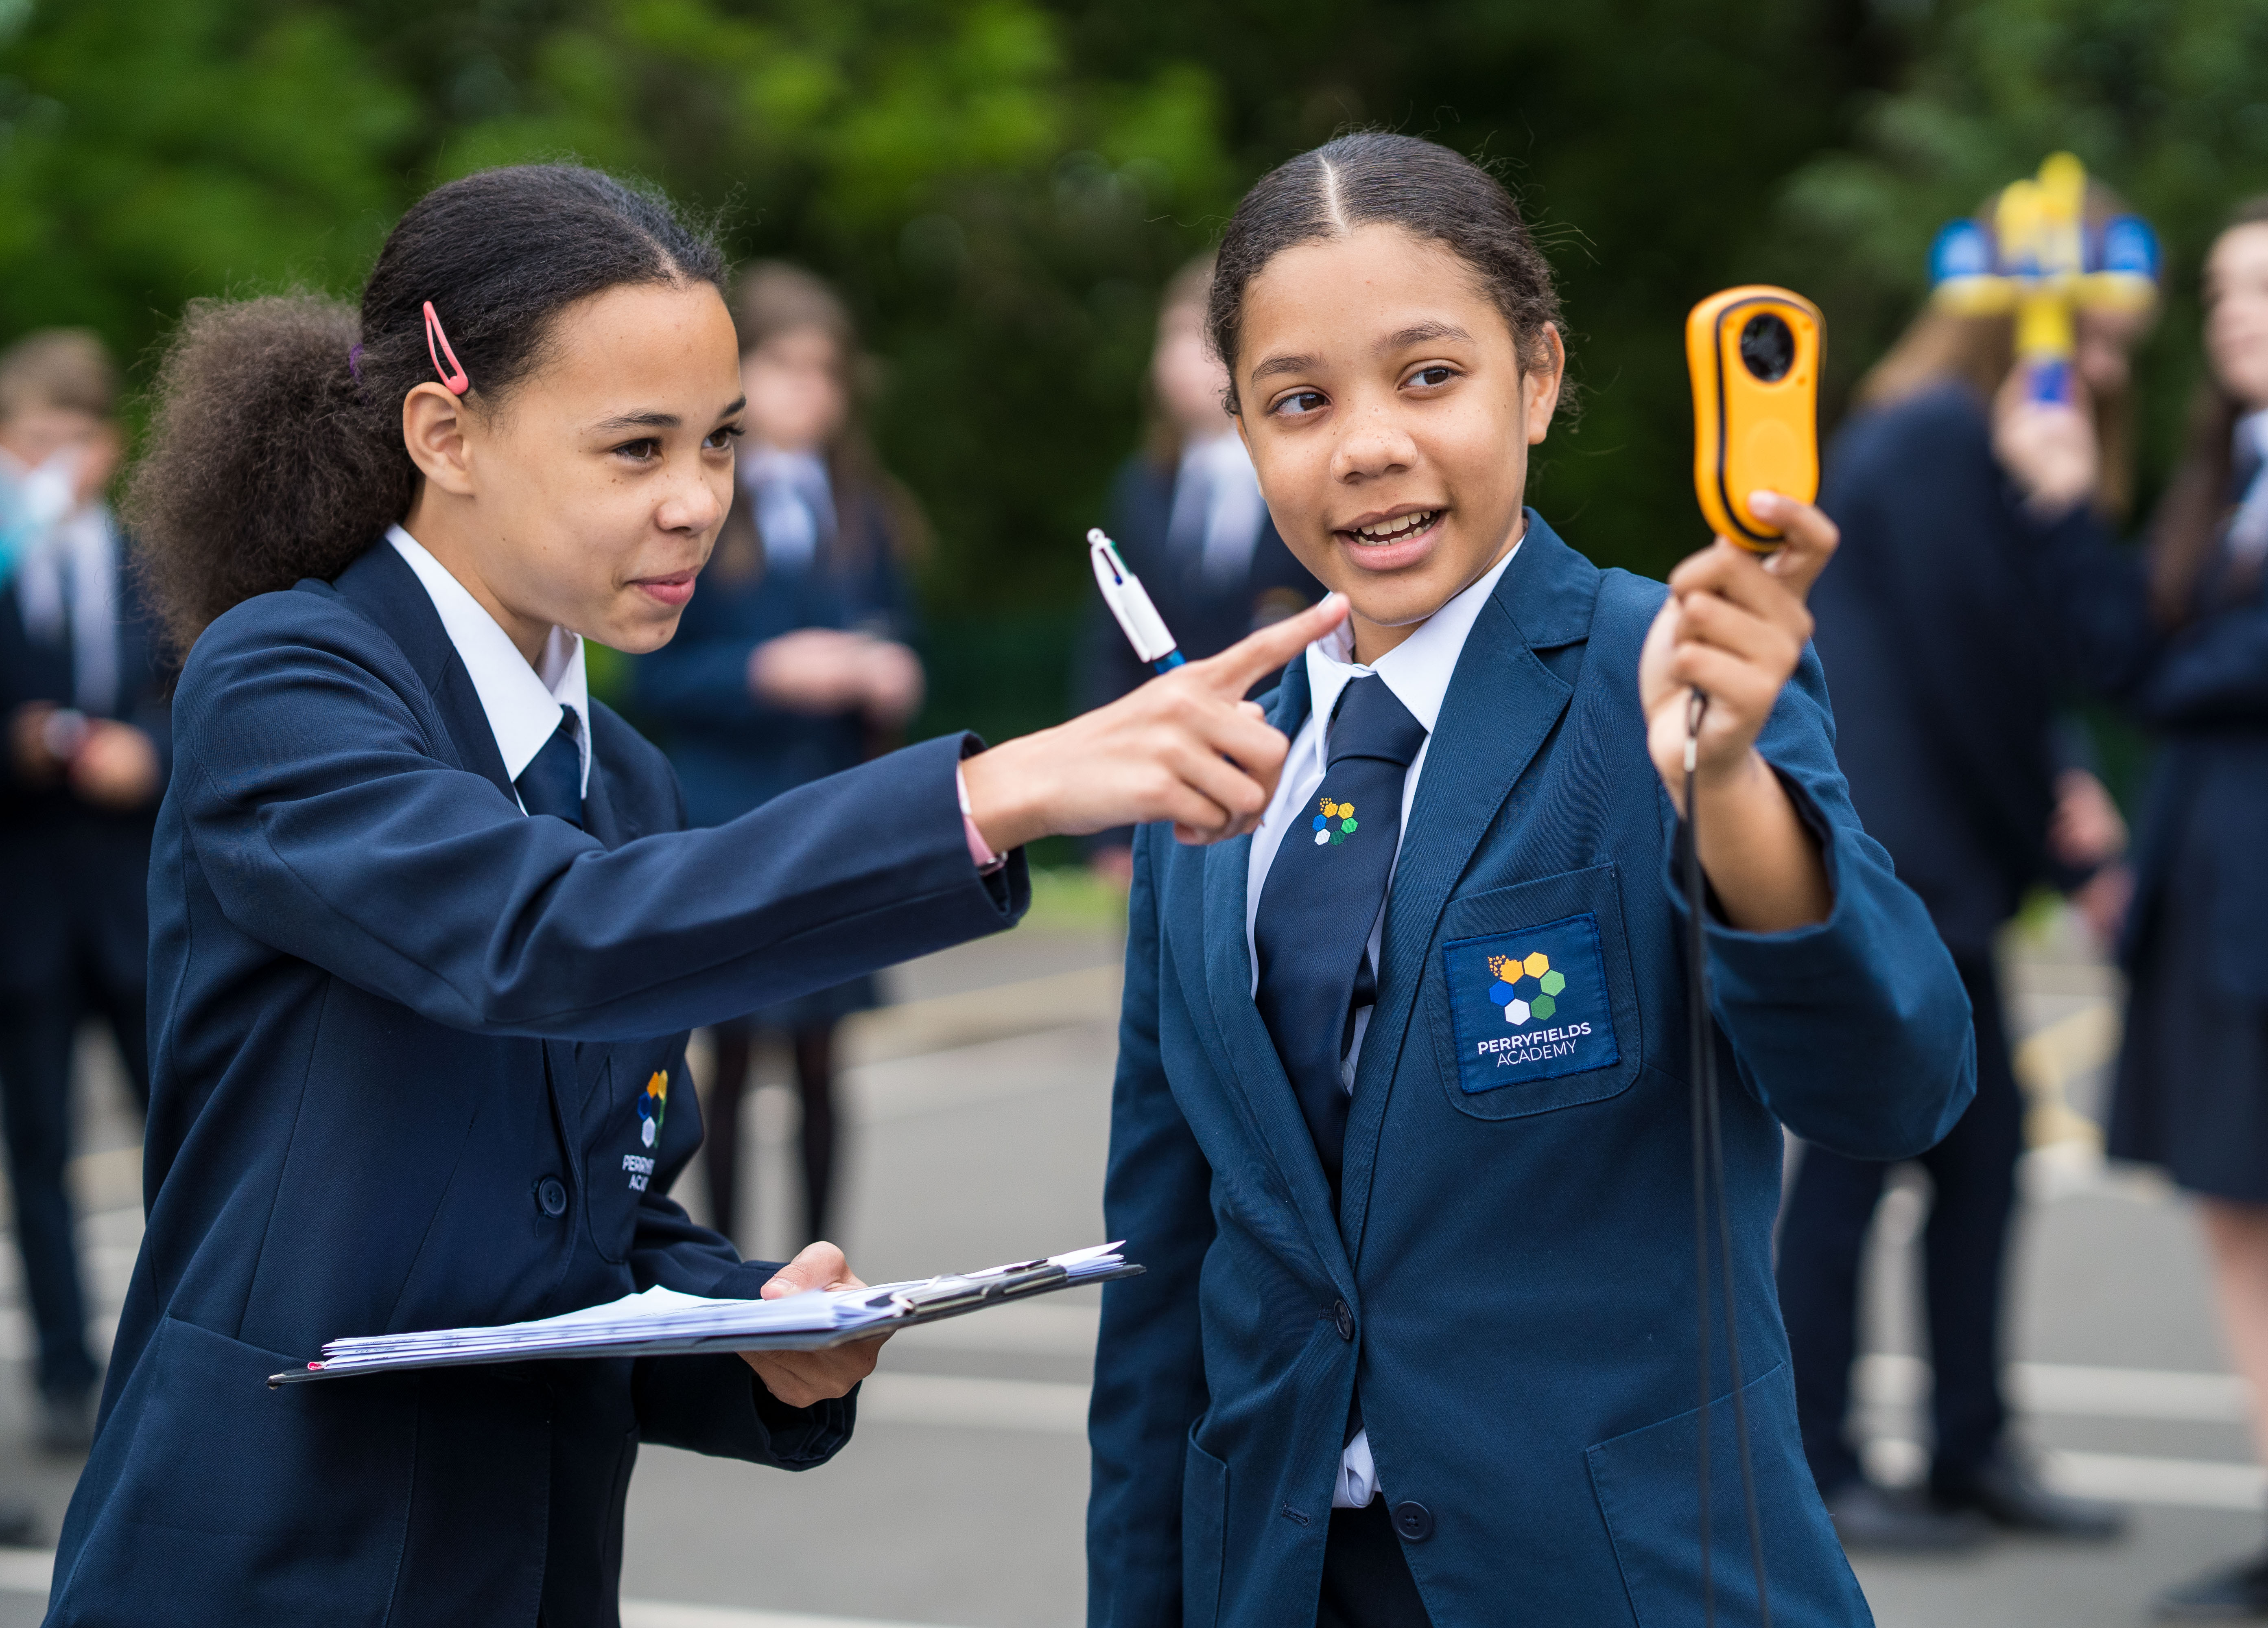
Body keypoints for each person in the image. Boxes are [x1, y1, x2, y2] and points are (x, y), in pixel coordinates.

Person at [45, 163, 1345, 1627]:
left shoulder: (627, 780)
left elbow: (588, 1216)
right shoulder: (285, 679)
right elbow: (546, 938)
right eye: (635, 449)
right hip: (264, 1565)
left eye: (720, 443)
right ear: (445, 433)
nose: (695, 504)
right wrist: (998, 792)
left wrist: (750, 1326)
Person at [1085, 132, 1975, 1628]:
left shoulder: (1666, 671)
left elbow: (1895, 1088)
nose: (1366, 445)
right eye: (1298, 402)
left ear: (1540, 379)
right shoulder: (1214, 765)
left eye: (1429, 376)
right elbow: (1165, 1274)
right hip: (1281, 1582)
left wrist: (1732, 787)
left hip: (1625, 1584)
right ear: (1240, 430)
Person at [1995, 189, 2268, 1619]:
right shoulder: (2232, 474)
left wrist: (2159, 679)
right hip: (2214, 908)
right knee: (2238, 1221)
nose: (2235, 311)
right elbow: (2116, 647)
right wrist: (2065, 494)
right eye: (2223, 290)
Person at [1776, 224, 2143, 1548]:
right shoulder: (1934, 436)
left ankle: (1966, 1446)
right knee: (1858, 1162)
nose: (2105, 366)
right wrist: (2071, 848)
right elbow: (1976, 664)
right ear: (2021, 331)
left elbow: (2013, 672)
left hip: (1937, 861)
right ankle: (1817, 1463)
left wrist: (2059, 784)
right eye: (2089, 335)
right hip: (1904, 859)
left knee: (1979, 1163)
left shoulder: (1949, 438)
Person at [628, 263, 925, 1245]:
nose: (810, 392)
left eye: (826, 371)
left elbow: (897, 633)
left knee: (823, 1061)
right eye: (785, 367)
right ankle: (729, 1266)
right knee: (734, 1053)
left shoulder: (862, 509)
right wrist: (769, 670)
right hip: (732, 810)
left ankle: (819, 1262)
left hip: (833, 807)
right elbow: (655, 678)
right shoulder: (698, 507)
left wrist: (885, 671)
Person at [0, 330, 168, 1458]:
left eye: (66, 441)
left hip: (136, 896)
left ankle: (181, 1357)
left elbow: (198, 693)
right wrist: (47, 743)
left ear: (105, 448)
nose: (45, 464)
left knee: (184, 1131)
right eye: (25, 440)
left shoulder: (149, 566)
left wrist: (148, 754)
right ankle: (65, 1369)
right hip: (25, 901)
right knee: (41, 1147)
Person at [1075, 254, 1324, 884]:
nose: (1182, 359)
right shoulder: (1141, 487)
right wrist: (1107, 822)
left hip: (1289, 781)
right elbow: (1111, 650)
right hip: (1165, 791)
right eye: (1172, 336)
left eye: (1204, 339)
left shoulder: (1312, 476)